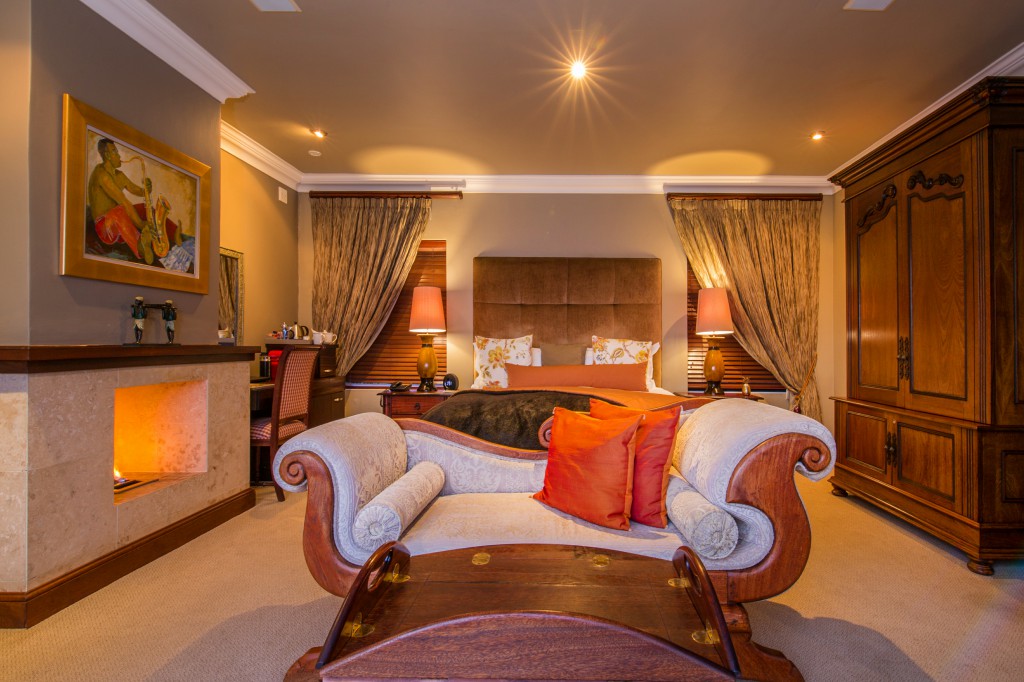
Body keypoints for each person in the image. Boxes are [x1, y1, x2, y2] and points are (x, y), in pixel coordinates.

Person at [87, 138, 150, 261]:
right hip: (105, 228)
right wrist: (140, 224)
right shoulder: (101, 175)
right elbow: (123, 201)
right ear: (107, 156)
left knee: (144, 208)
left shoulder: (119, 175)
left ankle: (169, 235)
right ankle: (140, 248)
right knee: (120, 210)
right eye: (115, 152)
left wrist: (147, 190)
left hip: (119, 225)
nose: (119, 155)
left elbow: (135, 190)